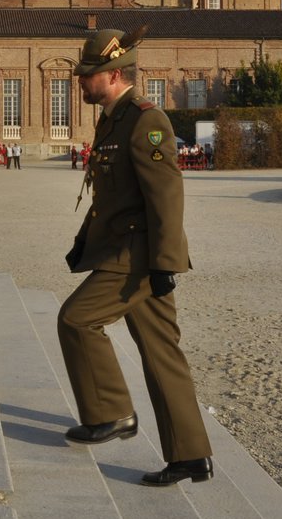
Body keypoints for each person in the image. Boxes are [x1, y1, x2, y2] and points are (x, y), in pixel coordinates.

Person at [59, 26, 213, 487]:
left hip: (139, 254)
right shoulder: (112, 120)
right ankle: (190, 455)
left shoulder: (146, 119)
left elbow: (165, 195)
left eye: (88, 75)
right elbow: (107, 195)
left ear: (112, 74)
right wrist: (84, 240)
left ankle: (112, 412)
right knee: (162, 354)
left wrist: (165, 262)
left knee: (77, 319)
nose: (81, 82)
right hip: (125, 247)